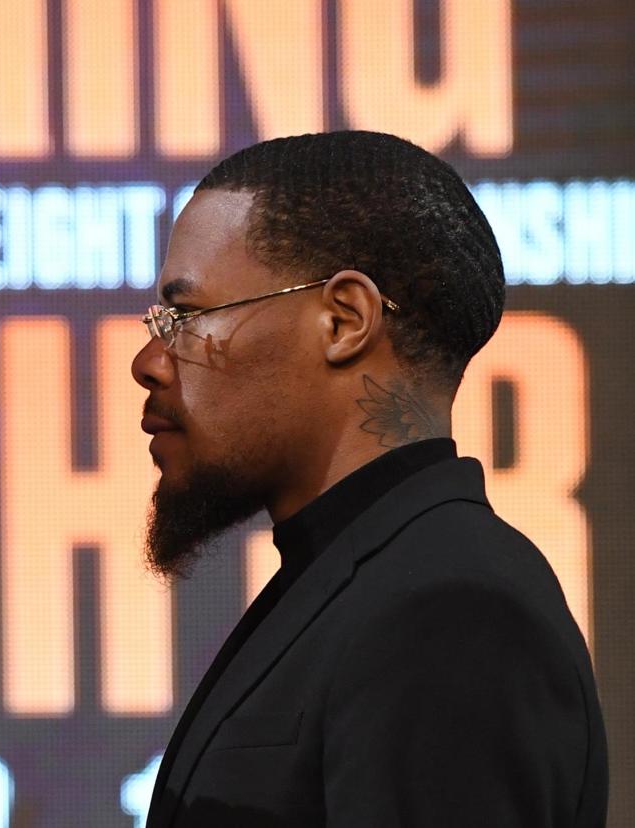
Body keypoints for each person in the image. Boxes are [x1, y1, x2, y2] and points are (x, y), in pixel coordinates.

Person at [133, 131, 607, 826]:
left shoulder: (451, 613)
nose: (149, 360)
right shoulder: (356, 581)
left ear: (344, 321)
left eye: (188, 316)